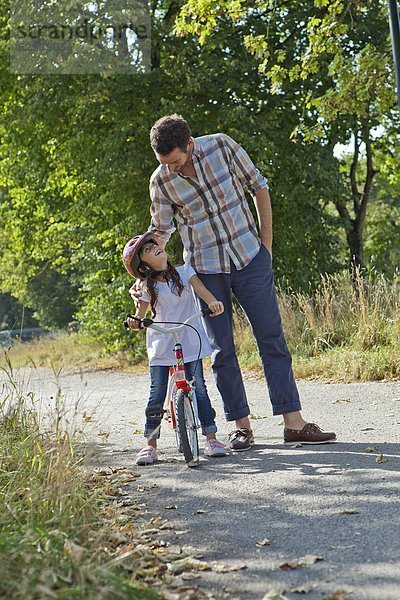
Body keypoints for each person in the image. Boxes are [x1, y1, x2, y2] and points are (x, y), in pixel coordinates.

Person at [140, 114, 337, 452]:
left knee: (271, 339)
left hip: (249, 258)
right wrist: (142, 275)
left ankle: (293, 423)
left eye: (174, 161)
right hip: (206, 270)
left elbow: (258, 185)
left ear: (189, 145)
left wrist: (266, 245)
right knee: (221, 350)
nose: (170, 169)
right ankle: (240, 427)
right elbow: (160, 232)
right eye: (163, 164)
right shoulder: (161, 181)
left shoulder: (221, 145)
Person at [122, 231, 229, 465]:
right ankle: (150, 445)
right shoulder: (145, 286)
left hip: (189, 339)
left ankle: (211, 438)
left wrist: (212, 302)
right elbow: (140, 317)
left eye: (153, 245)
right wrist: (135, 322)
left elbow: (202, 291)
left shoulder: (184, 271)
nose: (154, 248)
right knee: (157, 393)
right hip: (162, 344)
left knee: (198, 388)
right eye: (147, 250)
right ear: (144, 266)